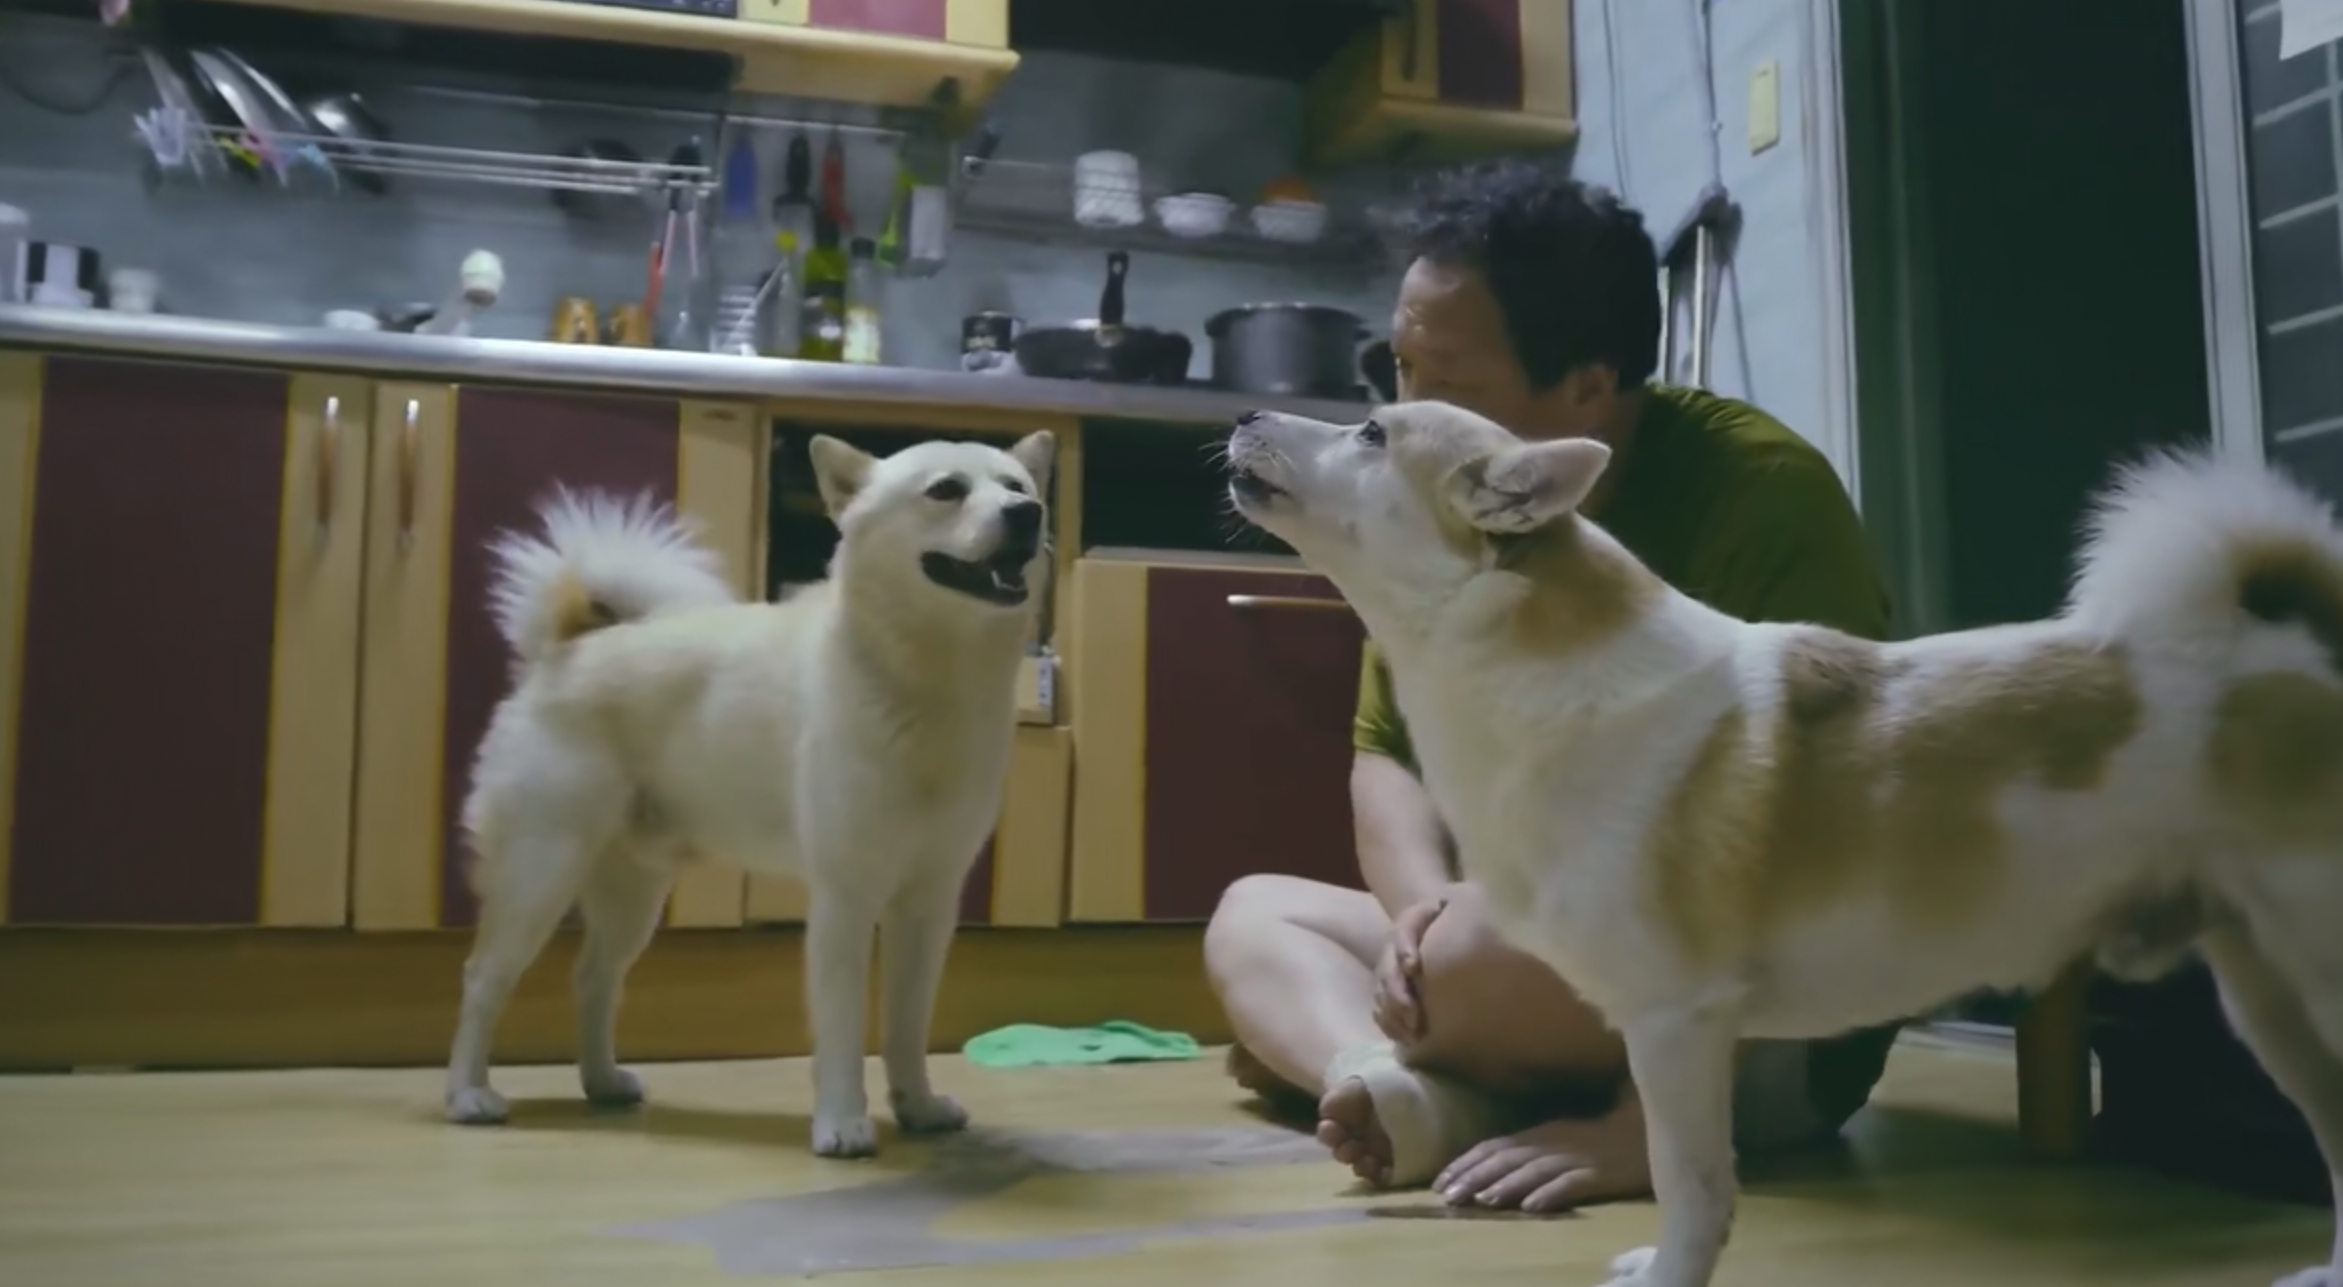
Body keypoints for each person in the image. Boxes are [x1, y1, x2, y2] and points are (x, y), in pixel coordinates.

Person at [1202, 161, 1903, 1213]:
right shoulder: (1430, 505)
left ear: (1586, 387)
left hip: (1757, 1013)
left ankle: (1458, 1081)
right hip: (1527, 951)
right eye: (1398, 368)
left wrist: (1652, 1136)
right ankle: (1403, 1093)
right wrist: (1417, 919)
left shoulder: (1762, 495)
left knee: (1492, 938)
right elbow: (1386, 756)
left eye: (1445, 383)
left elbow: (1825, 824)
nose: (1407, 408)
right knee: (1256, 917)